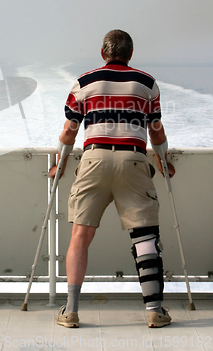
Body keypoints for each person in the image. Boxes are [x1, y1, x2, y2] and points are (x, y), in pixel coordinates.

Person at [49, 29, 175, 329]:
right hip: (133, 159)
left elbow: (69, 131)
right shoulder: (147, 84)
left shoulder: (84, 82)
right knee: (144, 235)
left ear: (103, 53)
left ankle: (71, 311)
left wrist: (60, 164)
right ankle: (155, 311)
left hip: (93, 159)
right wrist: (163, 160)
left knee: (80, 235)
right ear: (130, 54)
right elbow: (155, 131)